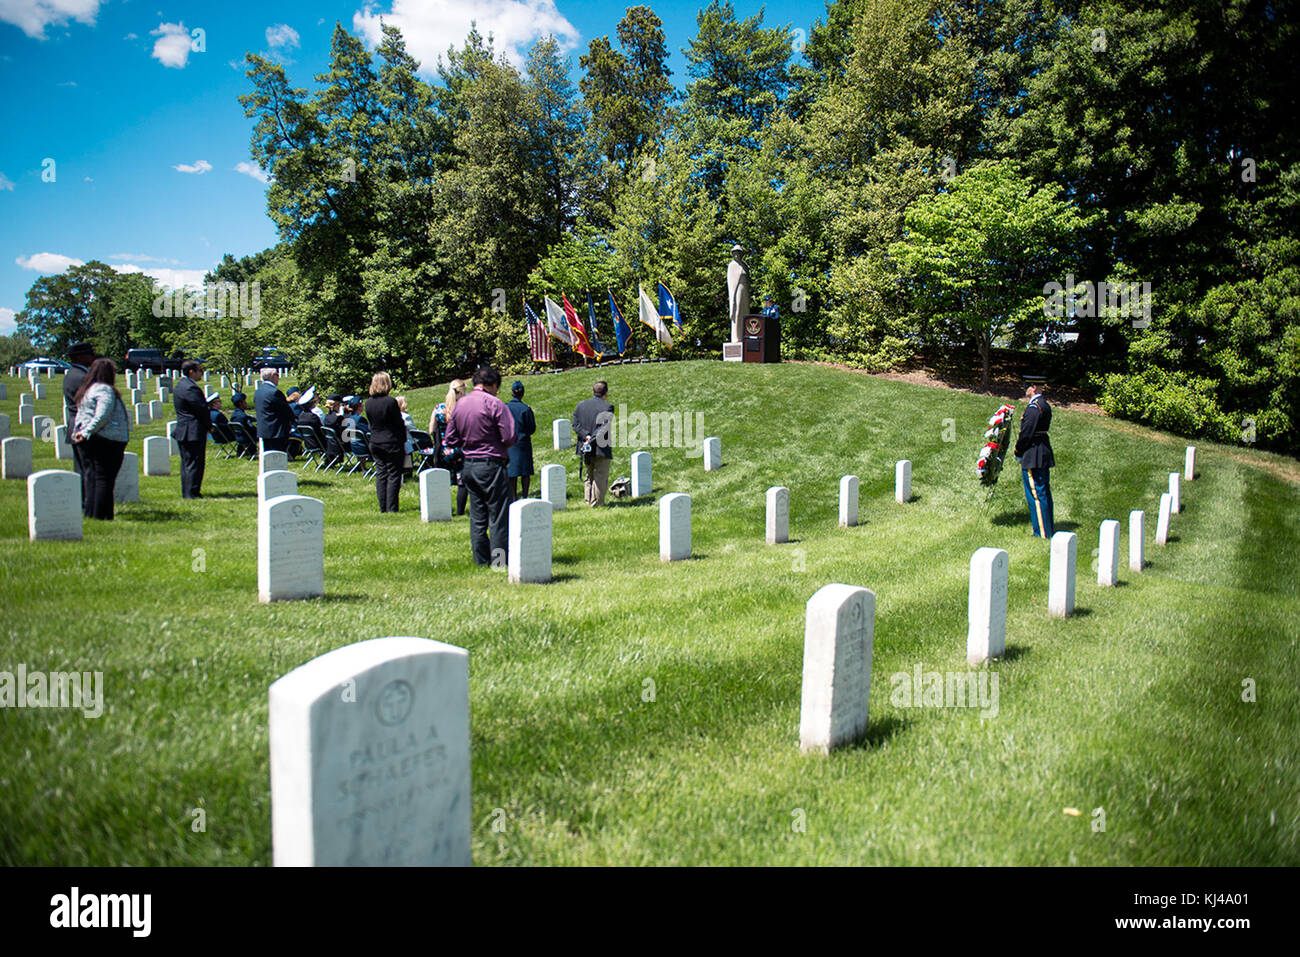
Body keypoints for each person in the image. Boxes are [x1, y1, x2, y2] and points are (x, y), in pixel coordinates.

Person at [445, 365, 517, 566]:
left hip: (469, 465)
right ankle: (499, 561)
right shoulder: (495, 404)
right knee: (498, 516)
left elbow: (450, 439)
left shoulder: (460, 405)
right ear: (493, 384)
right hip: (492, 464)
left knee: (477, 517)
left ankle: (480, 560)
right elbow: (510, 436)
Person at [70, 358, 130, 520]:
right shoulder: (104, 390)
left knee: (94, 479)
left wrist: (81, 432)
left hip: (92, 438)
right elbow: (103, 414)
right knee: (105, 479)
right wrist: (88, 431)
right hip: (106, 439)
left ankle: (93, 513)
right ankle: (102, 515)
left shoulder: (88, 389)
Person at [1014, 381, 1056, 538]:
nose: (1025, 390)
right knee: (1043, 492)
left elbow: (1026, 433)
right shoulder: (1044, 404)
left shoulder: (1034, 407)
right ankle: (1047, 528)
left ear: (1034, 388)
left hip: (1033, 454)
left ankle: (1042, 532)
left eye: (1027, 387)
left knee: (1036, 494)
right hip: (1042, 451)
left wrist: (1018, 450)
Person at [365, 373, 408, 513]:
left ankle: (383, 507)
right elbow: (398, 422)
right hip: (391, 442)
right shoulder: (390, 402)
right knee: (394, 475)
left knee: (381, 473)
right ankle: (392, 507)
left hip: (375, 441)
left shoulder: (368, 402)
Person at [62, 341, 95, 511]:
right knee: (87, 469)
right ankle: (87, 504)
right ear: (79, 357)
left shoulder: (73, 374)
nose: (92, 356)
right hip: (83, 426)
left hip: (76, 426)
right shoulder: (81, 377)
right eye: (89, 354)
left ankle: (84, 503)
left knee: (82, 468)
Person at [173, 358, 210, 499]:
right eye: (199, 370)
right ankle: (192, 493)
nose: (201, 373)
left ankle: (187, 491)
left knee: (187, 464)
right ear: (191, 372)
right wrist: (209, 426)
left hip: (184, 430)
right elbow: (201, 409)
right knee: (195, 463)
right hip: (192, 431)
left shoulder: (181, 385)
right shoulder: (191, 388)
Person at [573, 380, 615, 506]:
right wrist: (592, 438)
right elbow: (604, 427)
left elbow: (575, 425)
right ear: (605, 393)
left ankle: (588, 500)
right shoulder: (607, 407)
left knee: (589, 474)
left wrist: (586, 436)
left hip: (585, 446)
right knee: (600, 475)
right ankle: (596, 503)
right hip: (600, 446)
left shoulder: (581, 405)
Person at [505, 380, 536, 500]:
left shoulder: (505, 407)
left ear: (512, 393)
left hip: (509, 443)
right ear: (522, 393)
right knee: (525, 472)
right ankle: (525, 495)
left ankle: (513, 496)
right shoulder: (525, 409)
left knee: (512, 472)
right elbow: (532, 428)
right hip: (523, 443)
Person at [254, 368, 294, 453]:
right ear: (272, 376)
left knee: (268, 456)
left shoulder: (258, 391)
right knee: (278, 455)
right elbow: (286, 410)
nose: (278, 378)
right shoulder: (274, 392)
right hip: (276, 431)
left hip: (264, 429)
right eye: (277, 375)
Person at [229, 391, 257, 456]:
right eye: (244, 401)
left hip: (239, 437)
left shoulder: (233, 415)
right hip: (247, 438)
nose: (246, 403)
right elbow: (251, 429)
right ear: (240, 403)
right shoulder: (243, 416)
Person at [321, 393, 345, 467]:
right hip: (338, 445)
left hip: (330, 445)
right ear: (337, 405)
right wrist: (342, 415)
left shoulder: (327, 417)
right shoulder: (338, 418)